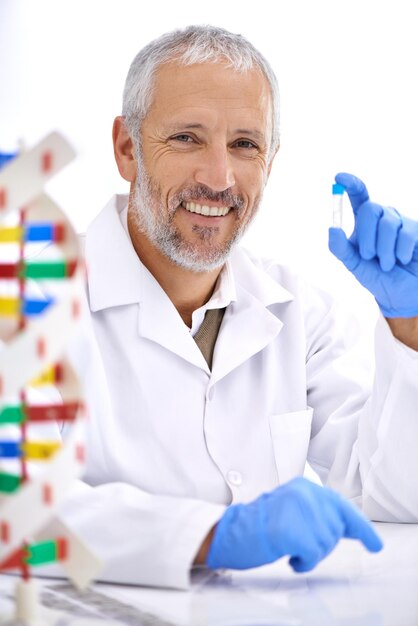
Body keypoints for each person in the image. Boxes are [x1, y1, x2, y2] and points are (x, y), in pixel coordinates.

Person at [51, 24, 418, 589]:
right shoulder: (31, 307)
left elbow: (393, 494)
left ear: (269, 162)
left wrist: (410, 325)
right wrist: (209, 536)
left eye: (245, 145)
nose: (218, 177)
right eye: (187, 139)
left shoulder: (300, 316)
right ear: (127, 149)